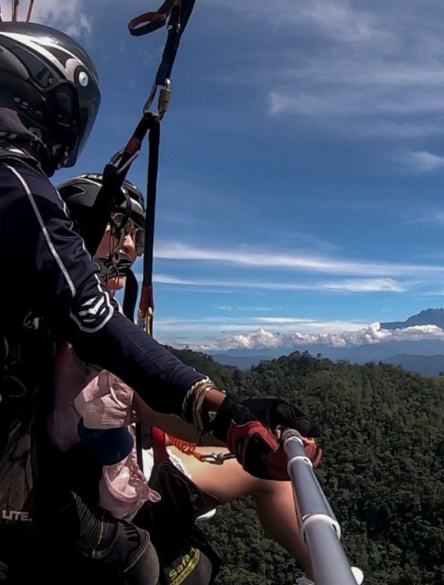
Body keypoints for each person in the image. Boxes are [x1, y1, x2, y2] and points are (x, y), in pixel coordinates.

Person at [0, 21, 323, 585]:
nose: (130, 245)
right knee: (136, 560)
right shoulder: (14, 185)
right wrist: (224, 410)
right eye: (118, 228)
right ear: (57, 101)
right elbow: (100, 327)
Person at [51, 174, 324, 584]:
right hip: (111, 499)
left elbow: (149, 405)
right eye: (122, 229)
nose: (131, 248)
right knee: (269, 480)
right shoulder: (77, 330)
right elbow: (149, 401)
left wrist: (238, 432)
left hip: (104, 482)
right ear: (78, 229)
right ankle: (324, 573)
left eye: (138, 239)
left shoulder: (73, 323)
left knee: (248, 465)